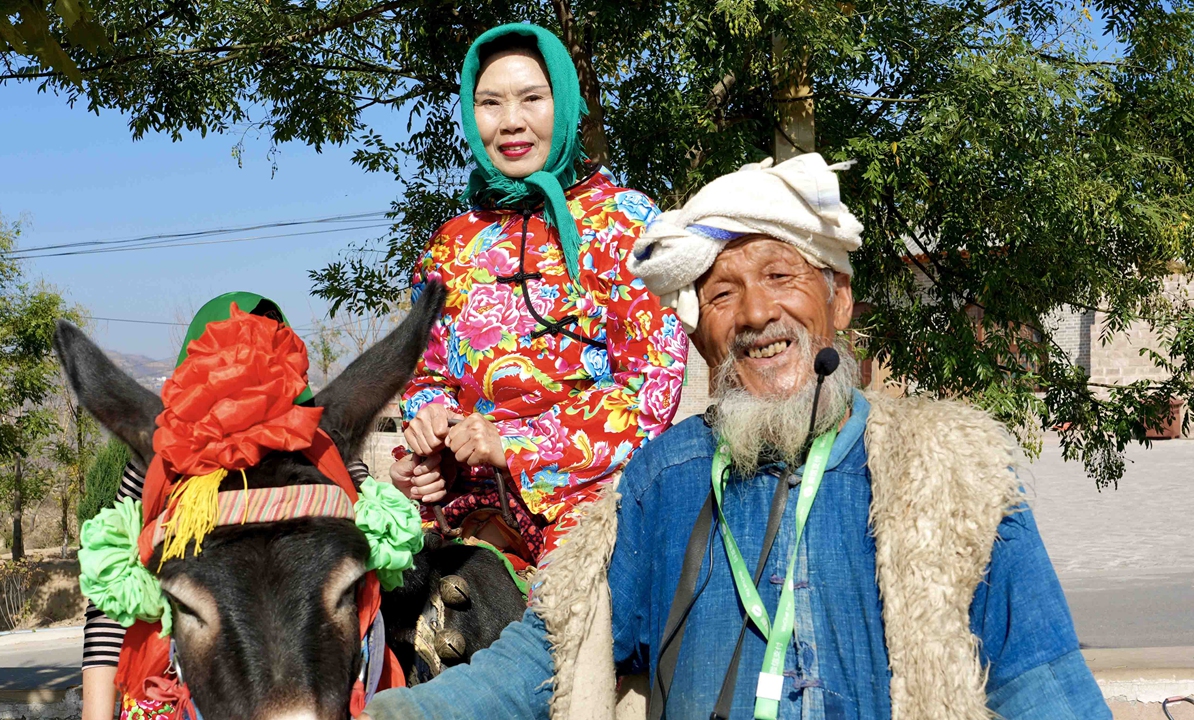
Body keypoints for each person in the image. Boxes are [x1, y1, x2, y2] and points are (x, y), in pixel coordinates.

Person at [362, 155, 1111, 720]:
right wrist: (394, 713)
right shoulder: (663, 480)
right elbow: (553, 648)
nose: (755, 314)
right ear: (699, 336)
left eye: (781, 277)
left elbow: (1041, 681)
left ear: (839, 302)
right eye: (722, 293)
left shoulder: (955, 472)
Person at [389, 23, 687, 564]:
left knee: (570, 610)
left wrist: (513, 446)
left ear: (565, 104)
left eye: (532, 98)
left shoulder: (625, 223)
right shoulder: (448, 246)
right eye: (490, 103)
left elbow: (650, 389)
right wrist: (431, 433)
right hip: (464, 505)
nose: (510, 121)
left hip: (592, 502)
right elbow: (425, 375)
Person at [79, 292, 373, 720]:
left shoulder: (327, 455)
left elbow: (378, 549)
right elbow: (110, 599)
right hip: (184, 681)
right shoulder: (158, 461)